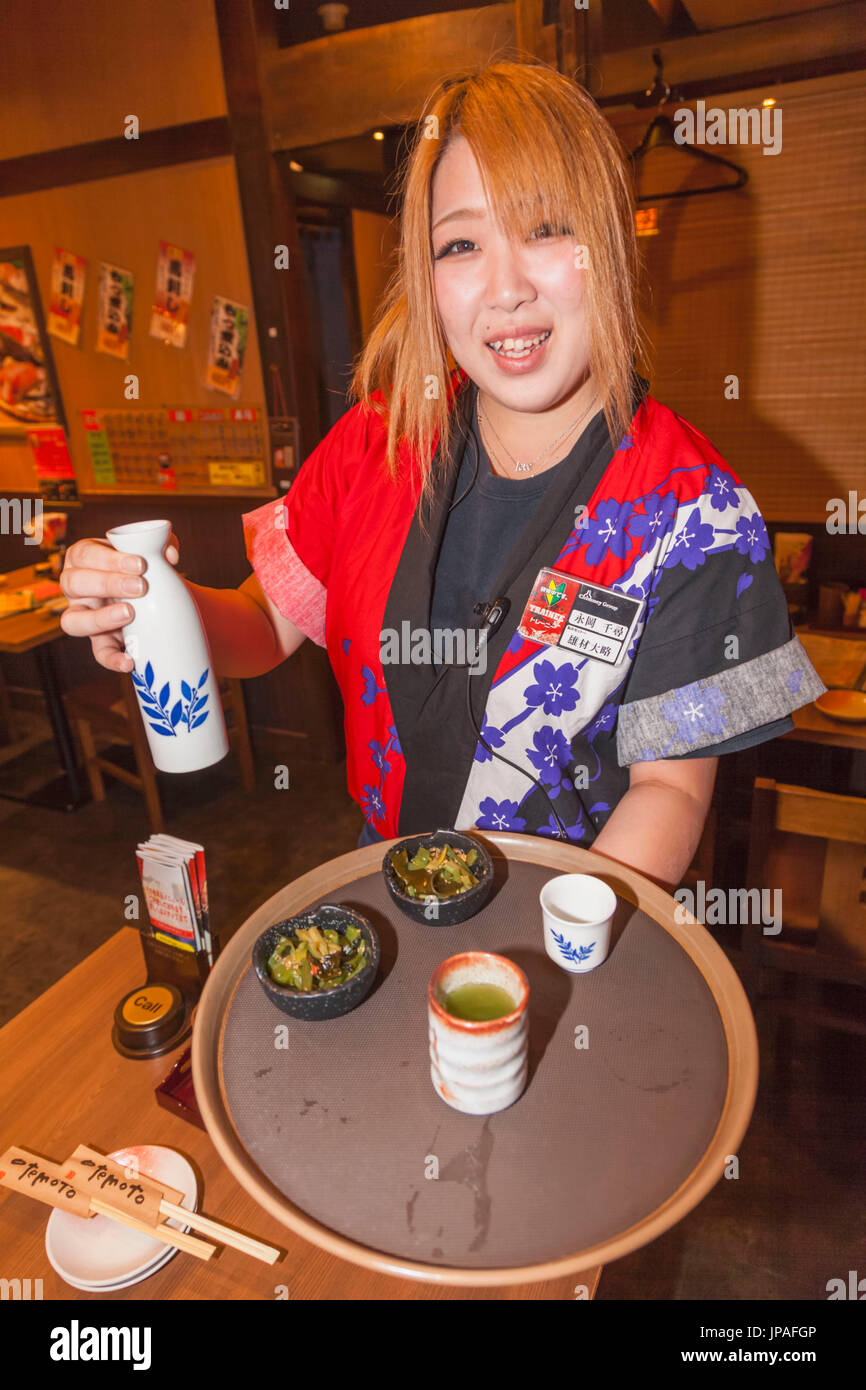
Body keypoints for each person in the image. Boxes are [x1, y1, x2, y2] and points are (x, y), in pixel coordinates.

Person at [59, 59, 825, 891]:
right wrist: (152, 610)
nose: (505, 289)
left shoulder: (694, 507)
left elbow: (670, 789)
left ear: (608, 241)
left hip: (568, 909)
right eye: (460, 244)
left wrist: (545, 940)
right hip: (384, 882)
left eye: (545, 228)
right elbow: (262, 625)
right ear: (427, 277)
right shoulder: (378, 440)